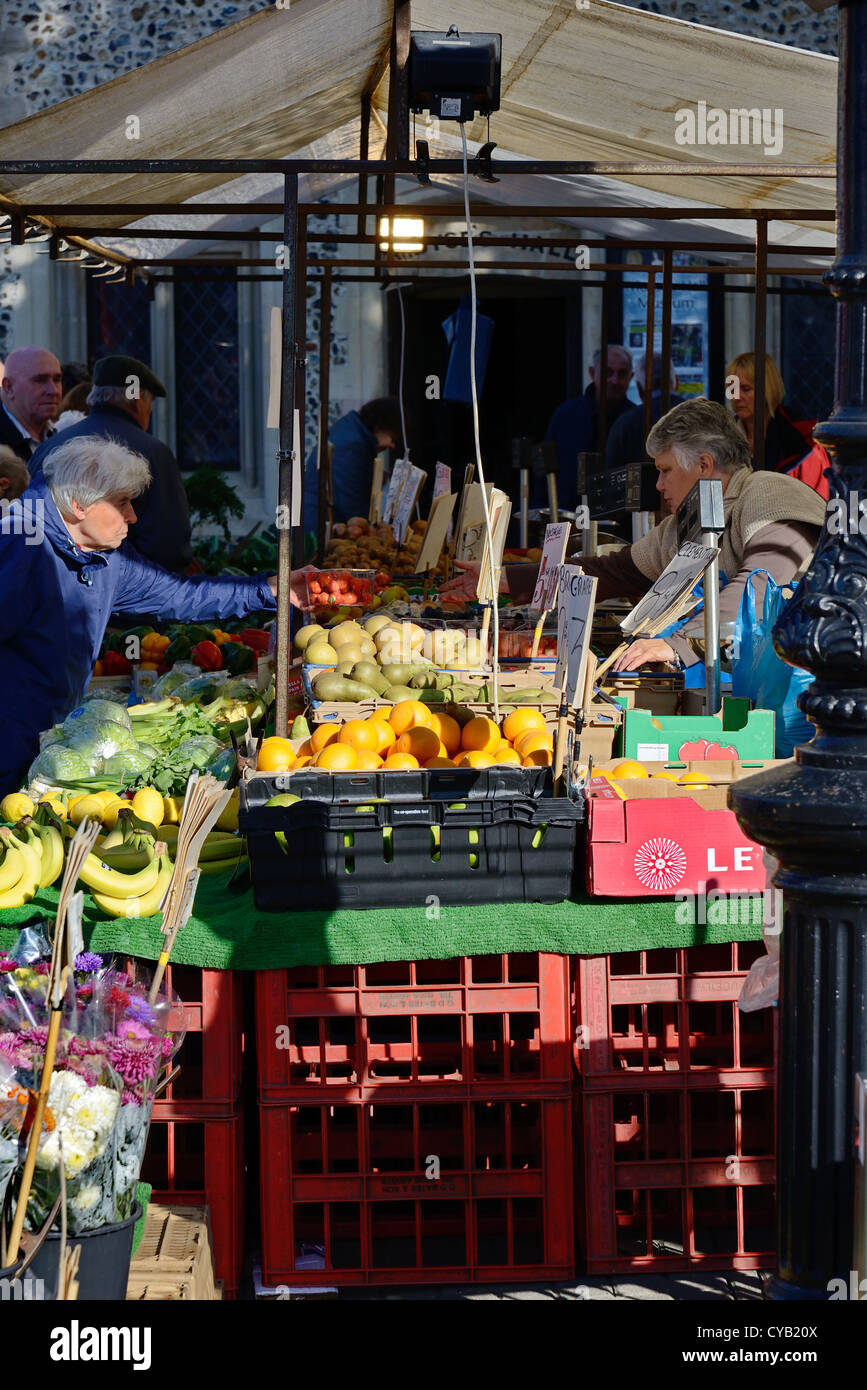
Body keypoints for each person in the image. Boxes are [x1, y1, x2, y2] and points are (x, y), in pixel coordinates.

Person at [0, 435, 311, 798]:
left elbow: (176, 594)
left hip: (48, 743)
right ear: (78, 505)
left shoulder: (102, 558)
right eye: (122, 503)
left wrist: (270, 589)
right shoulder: (20, 546)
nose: (132, 516)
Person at [442, 398, 826, 671]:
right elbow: (612, 572)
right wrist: (503, 577)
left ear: (705, 465)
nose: (658, 485)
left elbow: (760, 583)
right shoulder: (679, 527)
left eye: (665, 470)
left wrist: (677, 645)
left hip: (793, 687)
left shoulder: (769, 493)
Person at [29, 354, 193, 572]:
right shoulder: (154, 453)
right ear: (137, 400)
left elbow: (29, 528)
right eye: (150, 403)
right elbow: (168, 544)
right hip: (126, 595)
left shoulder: (49, 447)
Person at [541, 346, 634, 511]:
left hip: (620, 520)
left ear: (631, 377)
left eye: (622, 374)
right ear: (592, 373)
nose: (614, 380)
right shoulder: (566, 415)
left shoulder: (634, 421)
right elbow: (545, 471)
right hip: (567, 515)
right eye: (607, 372)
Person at [727, 350, 830, 496]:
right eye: (732, 388)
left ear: (767, 389)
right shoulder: (721, 438)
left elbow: (815, 502)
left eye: (745, 389)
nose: (736, 397)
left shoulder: (802, 440)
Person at [303, 397, 402, 534]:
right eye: (393, 437)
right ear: (380, 426)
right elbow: (353, 507)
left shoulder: (351, 430)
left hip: (317, 520)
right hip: (316, 529)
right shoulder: (353, 446)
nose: (392, 445)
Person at [605, 352, 681, 472]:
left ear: (640, 389)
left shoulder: (625, 424)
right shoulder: (703, 417)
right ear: (676, 382)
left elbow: (612, 479)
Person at [0, 347, 63, 462]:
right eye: (40, 380)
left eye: (57, 380)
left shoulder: (65, 437)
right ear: (9, 387)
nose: (54, 391)